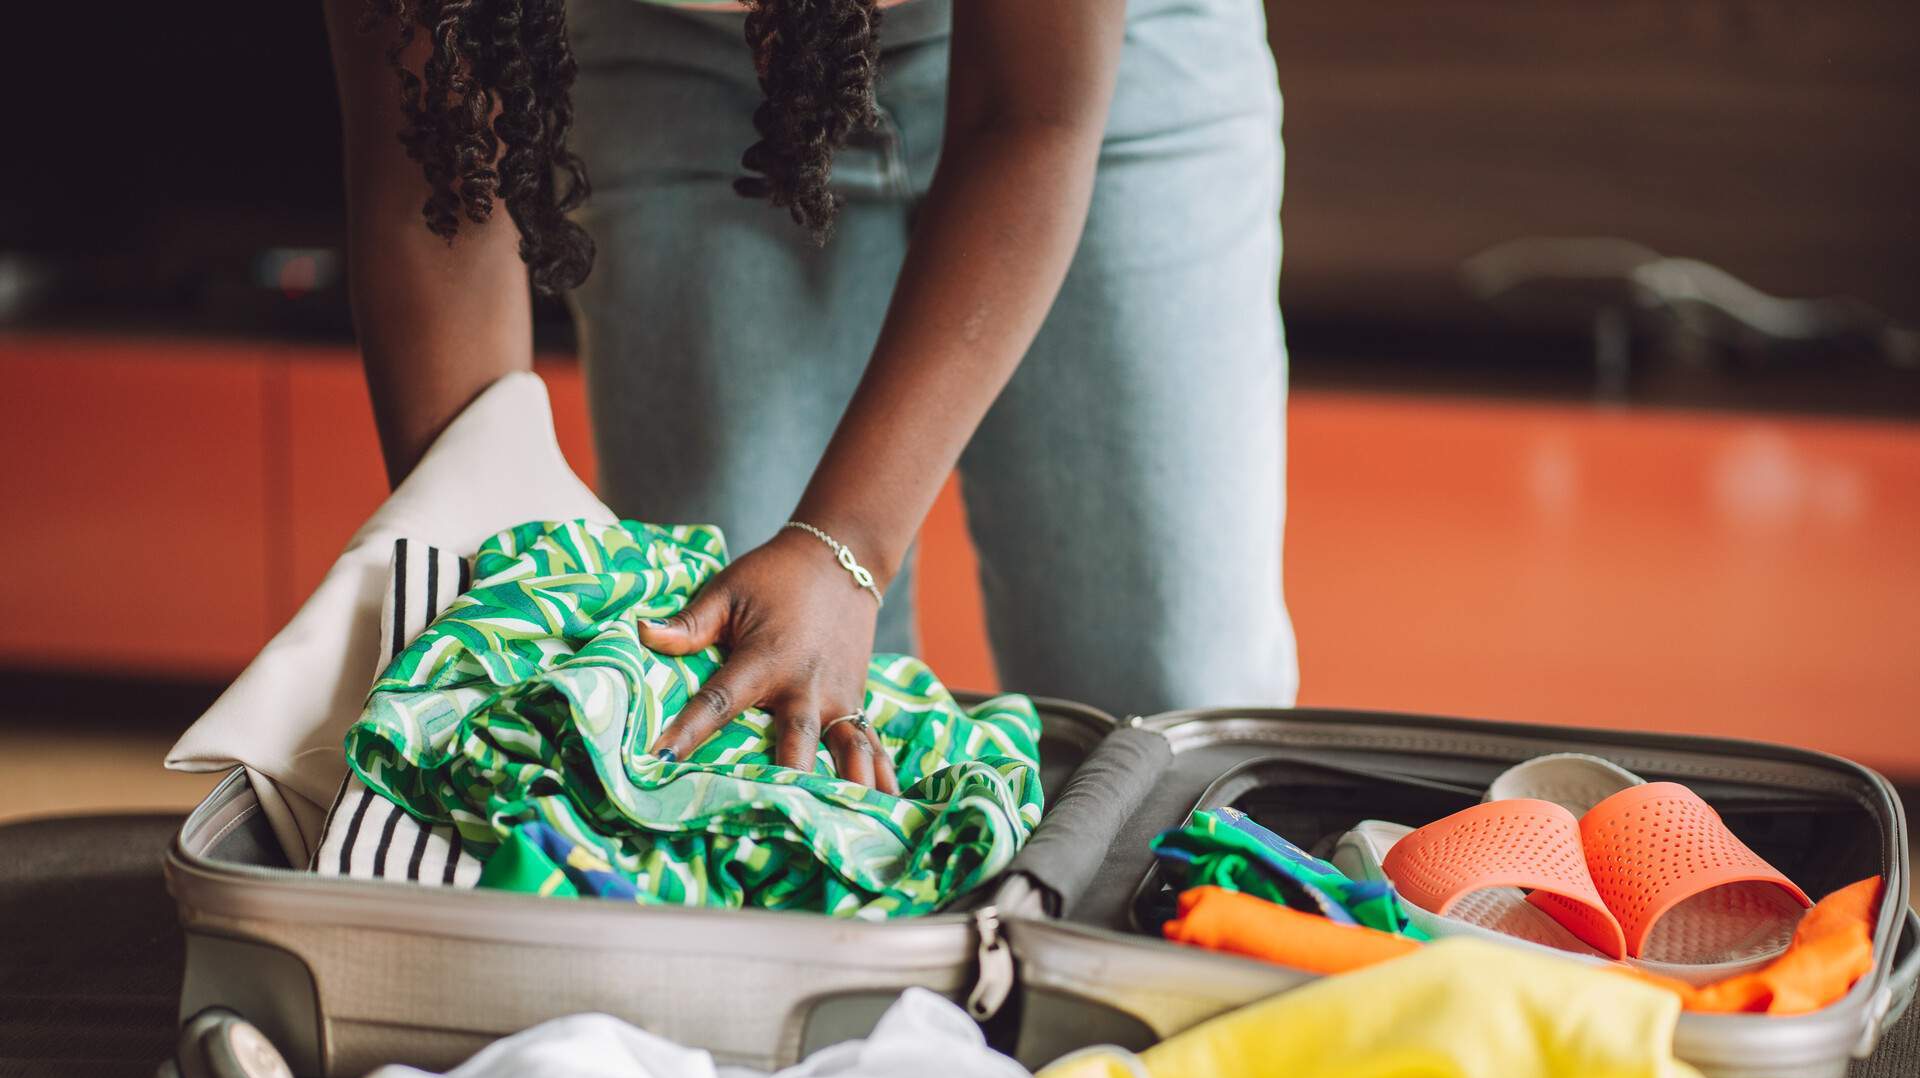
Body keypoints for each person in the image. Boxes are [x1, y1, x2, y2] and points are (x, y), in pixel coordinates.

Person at [323, 0, 1296, 790]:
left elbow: (1030, 117)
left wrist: (848, 545)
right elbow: (430, 170)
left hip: (1108, 61)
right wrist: (476, 586)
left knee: (1173, 703)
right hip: (677, 69)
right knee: (743, 730)